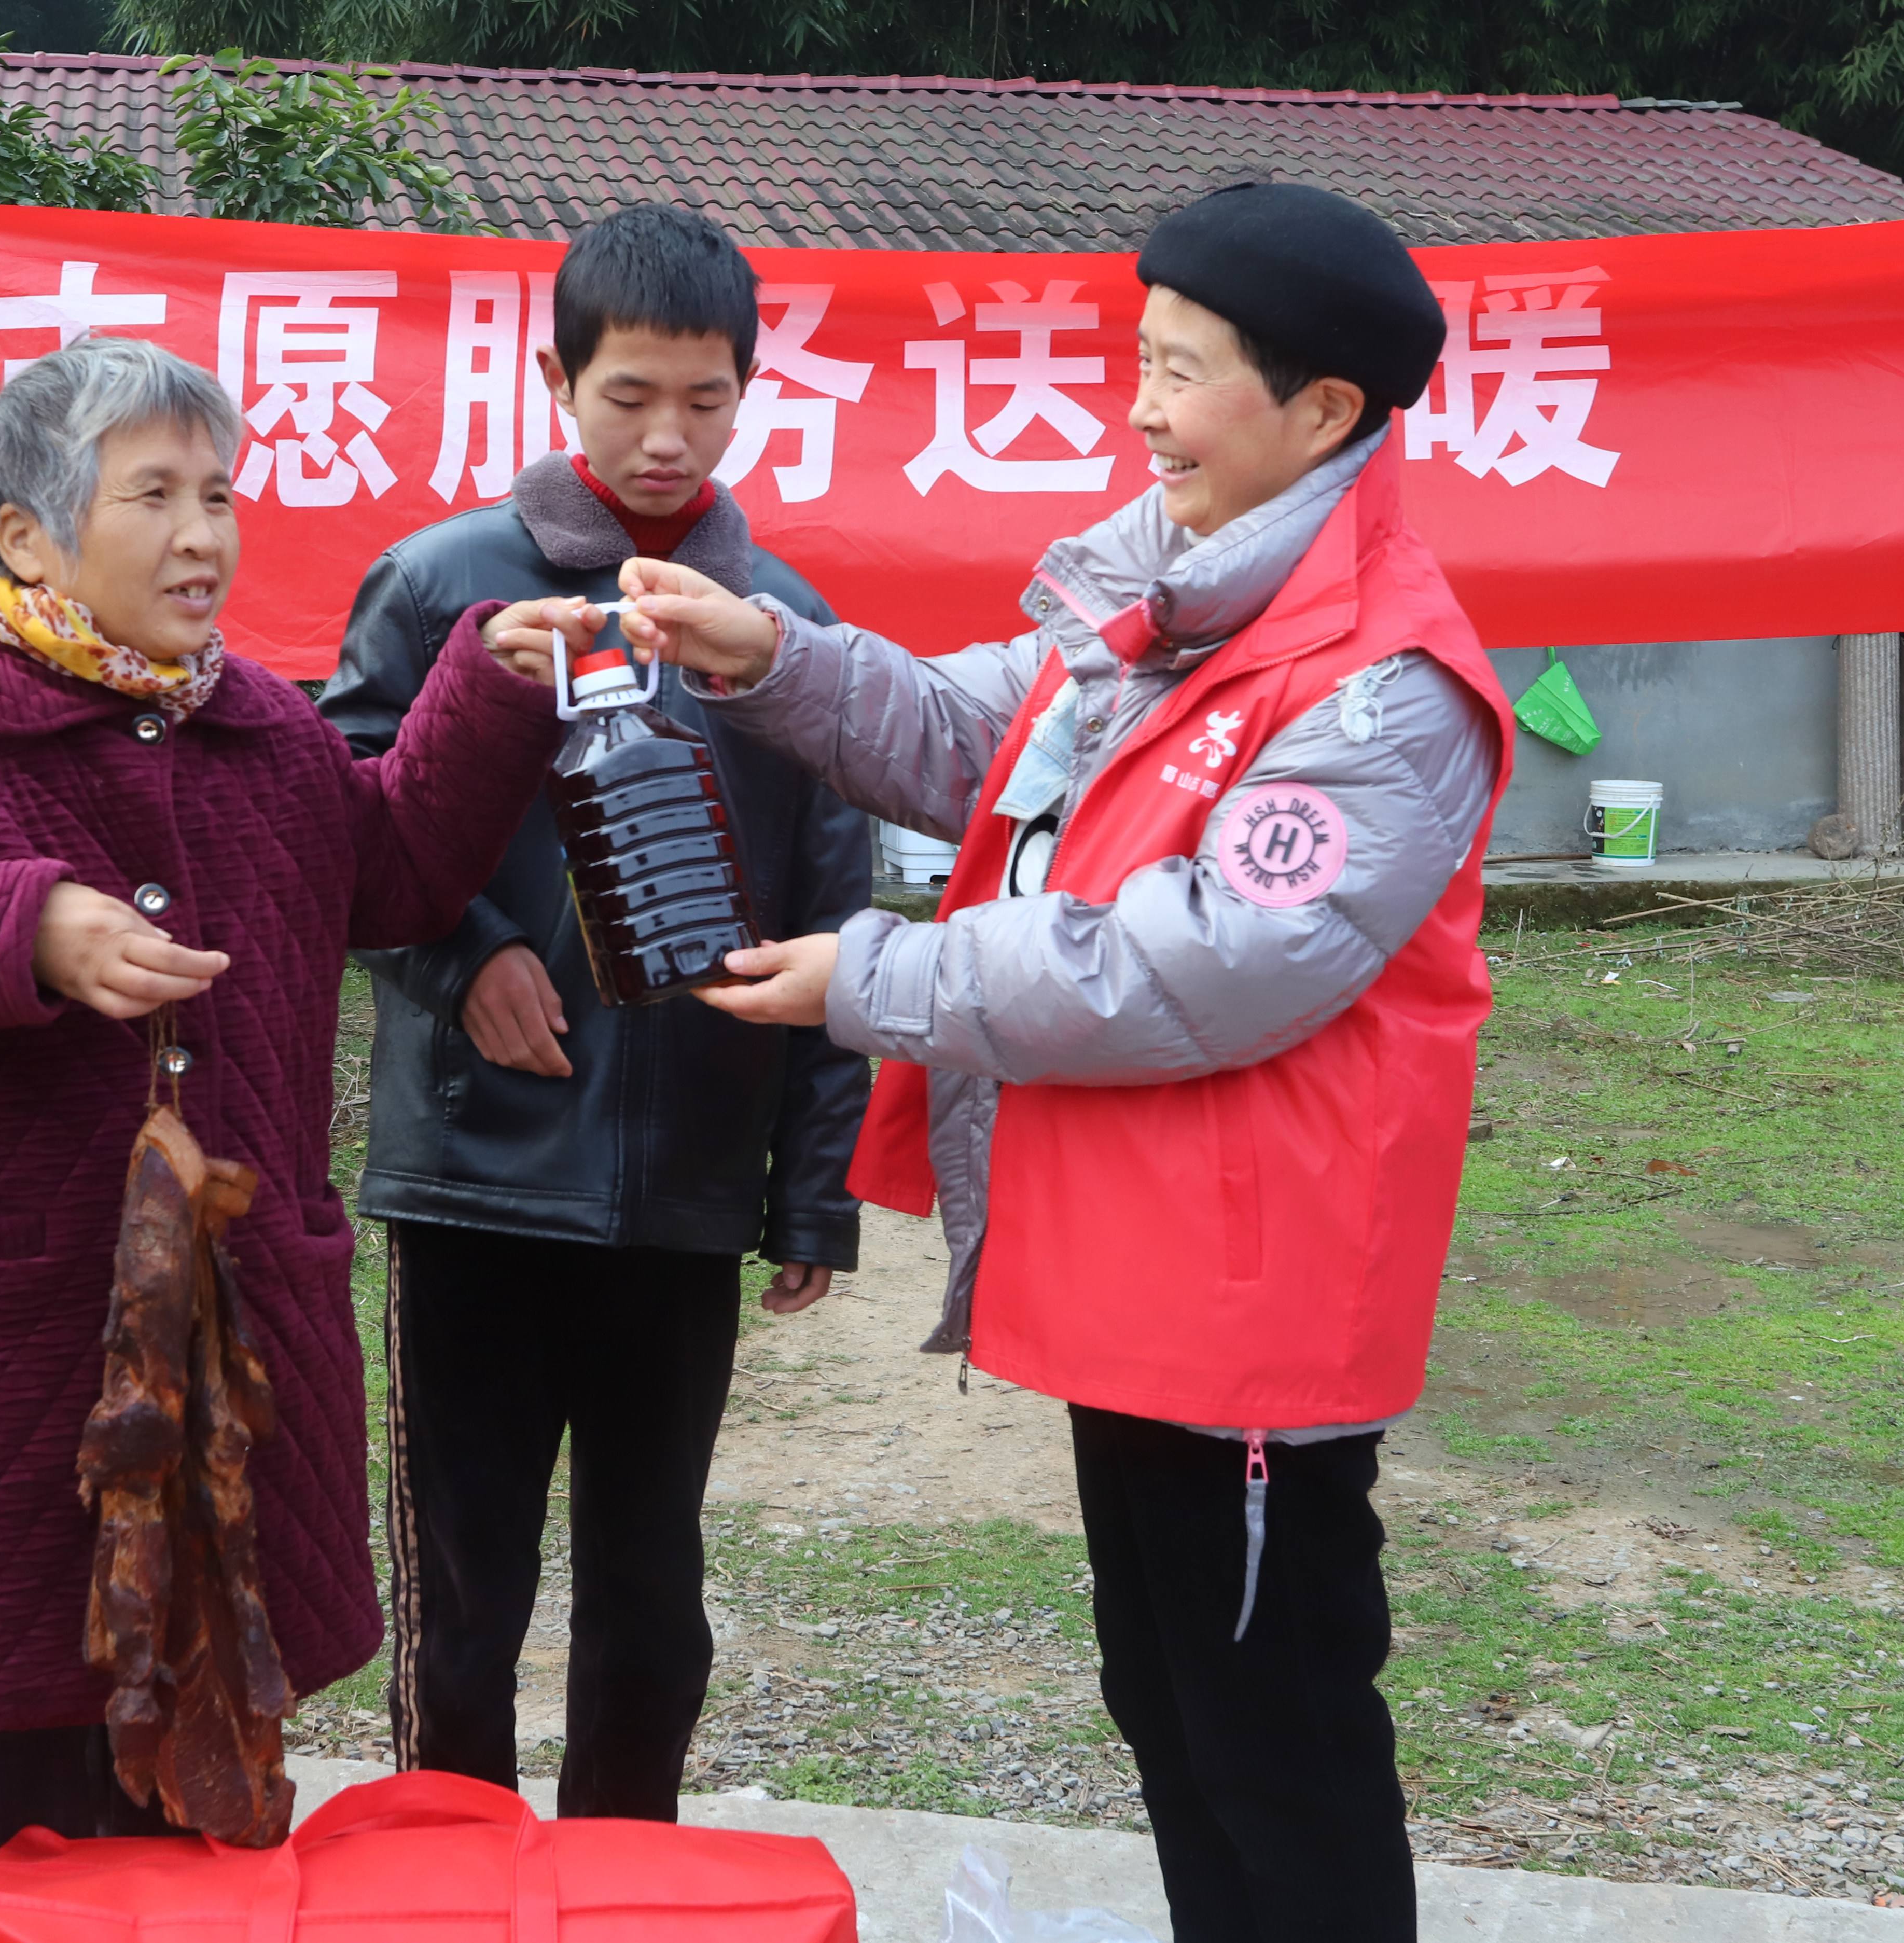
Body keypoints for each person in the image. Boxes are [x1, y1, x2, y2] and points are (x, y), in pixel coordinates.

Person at [613, 184, 1514, 1940]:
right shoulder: (1181, 599)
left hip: (1251, 1316)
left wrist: (869, 972)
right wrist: (773, 658)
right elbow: (983, 733)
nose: (1141, 406)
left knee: (1280, 1742)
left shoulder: (1380, 685)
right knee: (1169, 1706)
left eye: (1179, 371)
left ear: (1321, 410)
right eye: (1138, 360)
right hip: (1143, 1277)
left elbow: (1205, 961)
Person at [0, 336, 566, 1941]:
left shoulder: (258, 726)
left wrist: (490, 690)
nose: (206, 533)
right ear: (28, 535)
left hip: (223, 1374)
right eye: (155, 496)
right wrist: (17, 926)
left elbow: (395, 876)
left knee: (202, 1828)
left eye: (220, 494)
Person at [318, 202, 871, 1823]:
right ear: (558, 381)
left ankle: (626, 1873)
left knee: (653, 1587)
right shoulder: (437, 584)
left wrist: (813, 1185)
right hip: (476, 1171)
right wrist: (459, 949)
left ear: (750, 391)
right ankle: (448, 1874)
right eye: (629, 393)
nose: (664, 433)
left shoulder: (784, 628)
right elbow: (345, 825)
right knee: (462, 1578)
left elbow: (835, 905)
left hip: (687, 1187)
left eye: (704, 399)